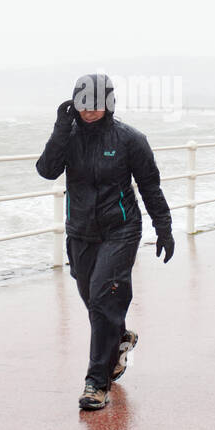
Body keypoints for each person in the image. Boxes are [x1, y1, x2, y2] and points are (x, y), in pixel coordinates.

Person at [36, 73, 174, 410]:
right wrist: (59, 129)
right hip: (80, 231)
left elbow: (150, 186)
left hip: (121, 229)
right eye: (83, 107)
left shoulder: (130, 139)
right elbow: (46, 170)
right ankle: (119, 339)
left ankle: (96, 383)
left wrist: (164, 227)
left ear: (109, 103)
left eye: (96, 106)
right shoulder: (68, 137)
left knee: (100, 298)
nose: (89, 113)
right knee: (93, 298)